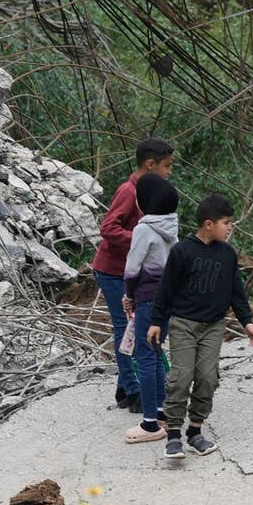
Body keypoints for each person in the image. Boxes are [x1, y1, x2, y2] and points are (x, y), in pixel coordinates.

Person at [147, 193, 253, 465]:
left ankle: (195, 430)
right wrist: (156, 321)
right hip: (183, 324)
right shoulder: (181, 252)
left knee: (208, 377)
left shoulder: (228, 254)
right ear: (208, 224)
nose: (230, 227)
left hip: (213, 326)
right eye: (226, 222)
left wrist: (247, 321)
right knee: (181, 378)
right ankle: (173, 434)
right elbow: (166, 289)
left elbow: (236, 292)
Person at [89, 135, 174, 414]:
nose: (169, 172)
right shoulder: (129, 191)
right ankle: (134, 390)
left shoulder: (150, 192)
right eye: (167, 166)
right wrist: (141, 239)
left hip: (132, 273)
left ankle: (124, 387)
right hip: (113, 272)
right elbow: (108, 228)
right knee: (125, 329)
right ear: (151, 165)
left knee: (131, 329)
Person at [115, 172, 180, 443]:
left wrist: (129, 294)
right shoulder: (172, 225)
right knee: (156, 351)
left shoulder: (143, 229)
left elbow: (132, 268)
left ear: (143, 202)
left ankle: (150, 424)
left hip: (147, 298)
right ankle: (163, 411)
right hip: (167, 298)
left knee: (145, 356)